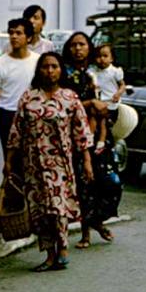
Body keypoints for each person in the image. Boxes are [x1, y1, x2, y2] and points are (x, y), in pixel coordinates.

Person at [3, 53, 94, 271]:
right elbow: (17, 132)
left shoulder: (70, 98)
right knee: (39, 210)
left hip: (60, 164)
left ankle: (63, 248)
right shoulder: (28, 98)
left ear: (60, 70)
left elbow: (81, 133)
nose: (50, 71)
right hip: (33, 164)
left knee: (57, 207)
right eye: (45, 67)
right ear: (39, 70)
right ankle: (49, 254)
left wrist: (87, 162)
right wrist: (9, 161)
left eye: (54, 67)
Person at [61, 31, 114, 249]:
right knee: (82, 185)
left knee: (107, 183)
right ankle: (85, 232)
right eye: (73, 45)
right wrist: (90, 104)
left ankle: (97, 221)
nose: (77, 49)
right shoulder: (64, 74)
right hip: (72, 136)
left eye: (82, 44)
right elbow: (63, 106)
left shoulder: (95, 72)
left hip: (98, 133)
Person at [0, 19, 39, 154]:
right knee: (10, 159)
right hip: (7, 114)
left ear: (28, 37)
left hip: (32, 114)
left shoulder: (38, 61)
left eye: (19, 33)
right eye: (11, 33)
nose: (14, 36)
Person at [90, 44, 126, 154]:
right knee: (93, 118)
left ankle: (101, 141)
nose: (102, 59)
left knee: (103, 120)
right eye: (99, 56)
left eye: (105, 56)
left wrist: (118, 94)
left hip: (110, 101)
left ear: (111, 58)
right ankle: (90, 138)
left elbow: (122, 85)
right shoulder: (93, 71)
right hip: (99, 100)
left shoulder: (115, 71)